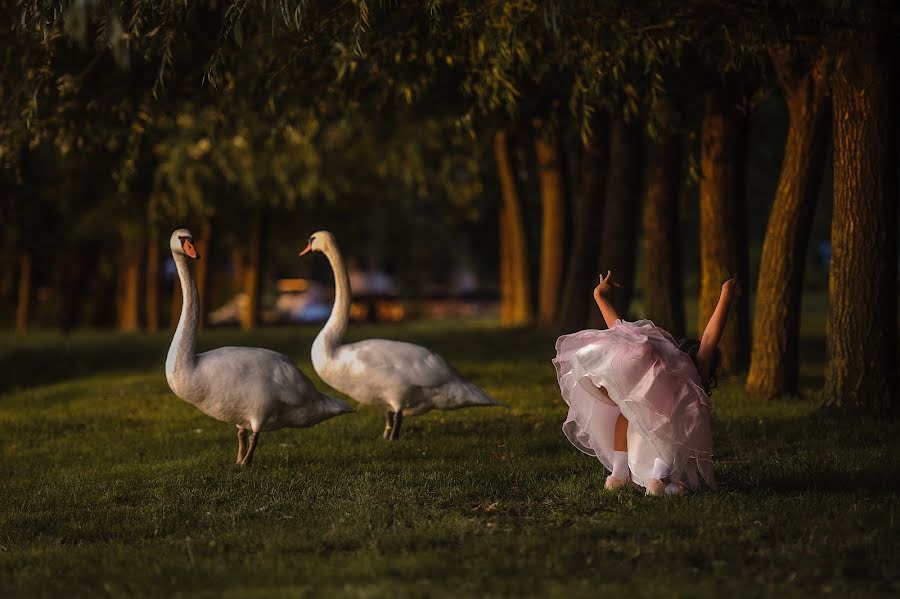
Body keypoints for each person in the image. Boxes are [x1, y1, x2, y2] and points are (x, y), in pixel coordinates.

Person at [553, 271, 737, 496]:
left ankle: (618, 475)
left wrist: (600, 297)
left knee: (627, 410)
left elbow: (619, 329)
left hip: (642, 431)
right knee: (679, 425)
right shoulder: (695, 371)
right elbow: (710, 337)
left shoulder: (662, 371)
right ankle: (658, 481)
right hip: (664, 434)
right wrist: (726, 295)